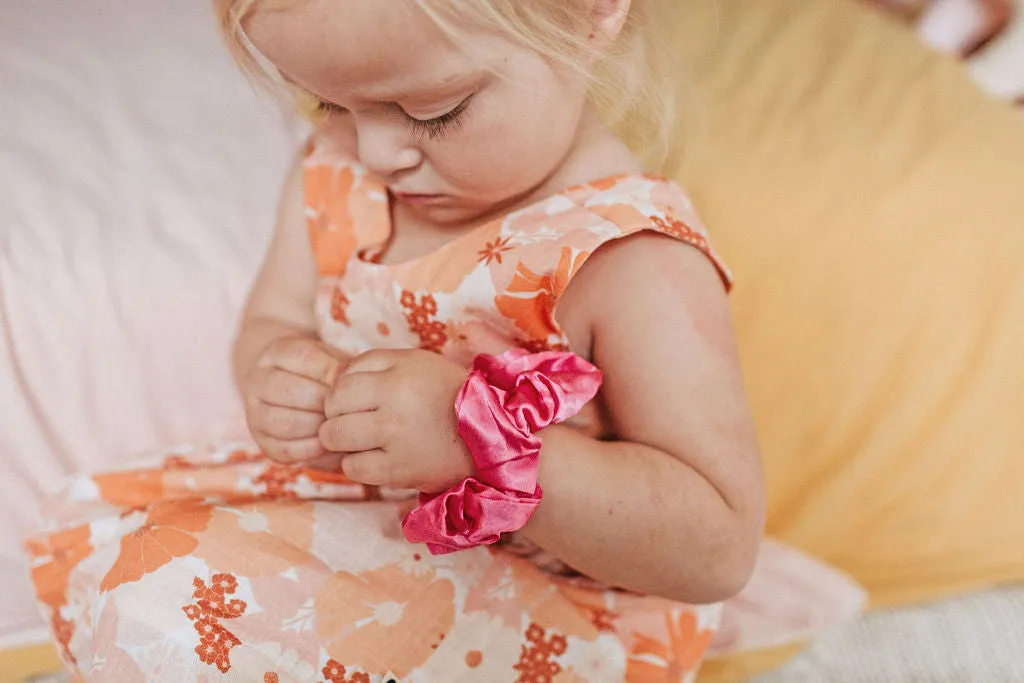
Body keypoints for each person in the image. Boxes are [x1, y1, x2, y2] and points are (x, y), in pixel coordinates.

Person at [25, 1, 764, 680]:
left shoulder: (626, 257)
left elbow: (718, 543)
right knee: (135, 555)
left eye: (432, 111)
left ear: (587, 16)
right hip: (361, 526)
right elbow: (274, 321)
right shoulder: (339, 171)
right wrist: (277, 376)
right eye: (329, 102)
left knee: (177, 601)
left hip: (543, 602)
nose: (377, 152)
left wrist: (475, 440)